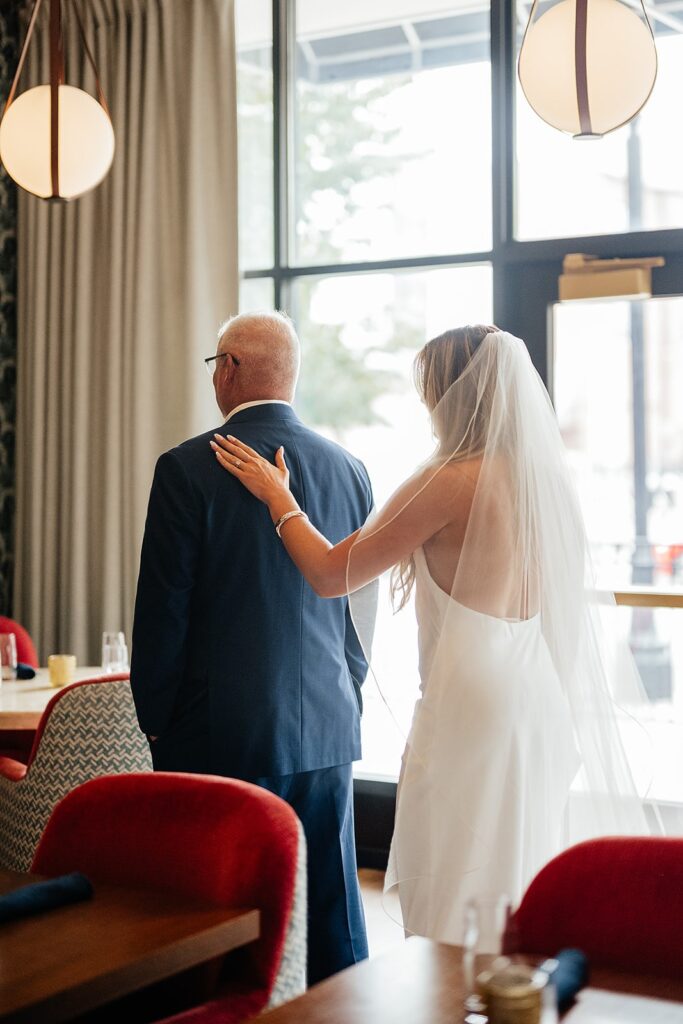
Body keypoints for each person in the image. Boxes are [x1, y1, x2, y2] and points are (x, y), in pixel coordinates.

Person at [211, 324, 652, 946]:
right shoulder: (544, 482)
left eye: (429, 388)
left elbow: (332, 574)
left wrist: (279, 498)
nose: (425, 402)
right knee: (512, 865)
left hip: (471, 691)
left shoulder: (448, 478)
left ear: (450, 393)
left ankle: (455, 992)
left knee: (458, 867)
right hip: (535, 688)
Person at [130, 311, 375, 982]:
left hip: (217, 730)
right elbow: (358, 612)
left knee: (218, 908)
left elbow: (163, 612)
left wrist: (155, 722)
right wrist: (346, 690)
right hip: (327, 718)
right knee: (333, 903)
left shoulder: (186, 469)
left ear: (230, 369)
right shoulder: (348, 468)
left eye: (216, 366)